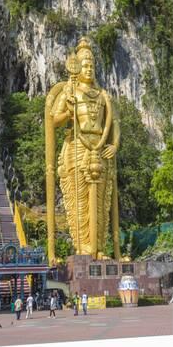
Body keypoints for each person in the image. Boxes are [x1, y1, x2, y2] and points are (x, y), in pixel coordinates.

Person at [46, 36, 121, 262]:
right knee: (79, 199)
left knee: (101, 199)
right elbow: (54, 120)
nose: (88, 68)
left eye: (92, 65)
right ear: (77, 68)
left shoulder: (103, 95)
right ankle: (83, 247)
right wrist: (69, 112)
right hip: (77, 146)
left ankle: (100, 247)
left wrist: (114, 145)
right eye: (85, 65)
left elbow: (115, 123)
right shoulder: (70, 92)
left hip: (100, 147)